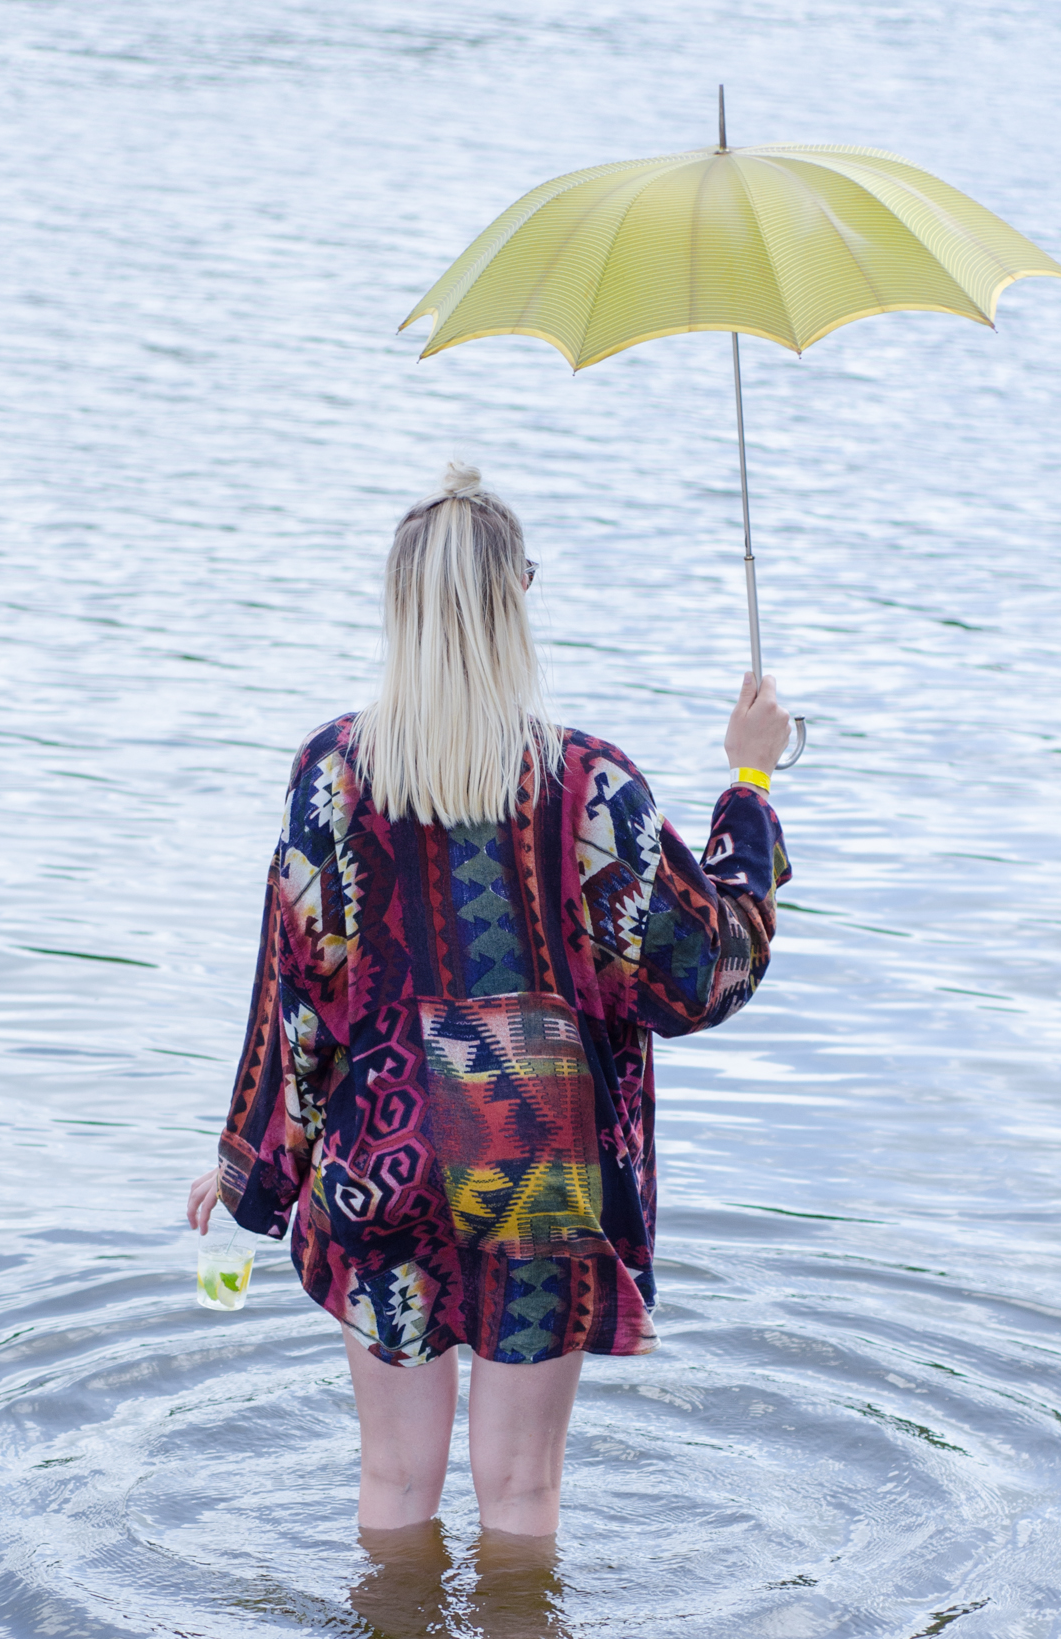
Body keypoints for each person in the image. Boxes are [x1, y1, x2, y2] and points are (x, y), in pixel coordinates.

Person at [186, 462, 792, 1540]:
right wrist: (748, 786)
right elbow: (704, 972)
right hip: (535, 1159)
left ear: (402, 608)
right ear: (516, 603)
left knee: (393, 1486)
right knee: (520, 1493)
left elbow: (294, 988)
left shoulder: (332, 772)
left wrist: (253, 1168)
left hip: (386, 1154)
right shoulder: (590, 786)